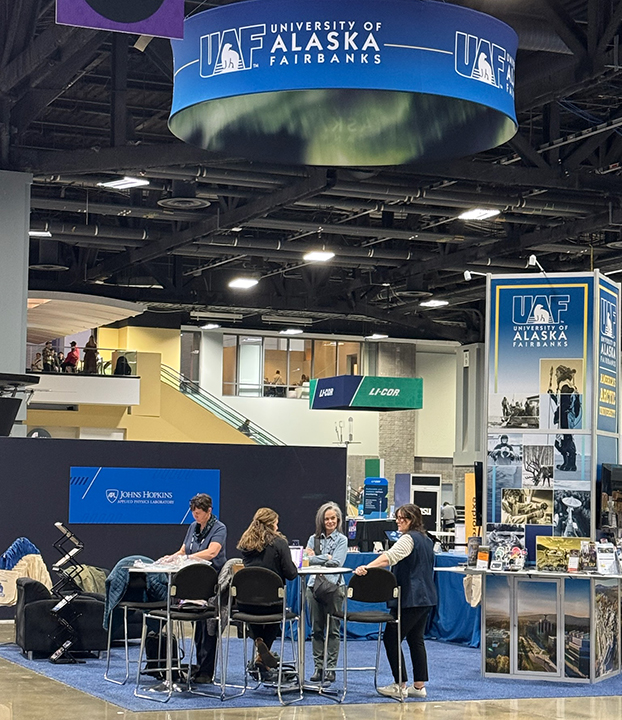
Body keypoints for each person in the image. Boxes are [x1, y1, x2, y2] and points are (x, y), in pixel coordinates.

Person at [354, 503, 437, 700]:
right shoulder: (426, 539)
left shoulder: (408, 539)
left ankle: (400, 684)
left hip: (411, 598)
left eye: (404, 518)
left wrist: (367, 566)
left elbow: (390, 557)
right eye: (398, 517)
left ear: (413, 520)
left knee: (391, 638)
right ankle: (419, 686)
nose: (399, 521)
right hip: (427, 598)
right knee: (416, 639)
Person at [160, 493, 227, 684]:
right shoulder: (193, 527)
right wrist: (172, 557)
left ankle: (206, 671)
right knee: (196, 625)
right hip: (190, 580)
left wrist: (189, 558)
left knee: (207, 626)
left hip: (208, 581)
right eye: (193, 513)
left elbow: (212, 552)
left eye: (198, 513)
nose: (195, 516)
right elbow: (183, 550)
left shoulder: (219, 528)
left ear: (209, 511)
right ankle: (197, 665)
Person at [237, 507, 298, 671]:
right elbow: (291, 574)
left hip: (245, 604)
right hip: (272, 603)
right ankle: (262, 656)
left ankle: (258, 641)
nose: (277, 528)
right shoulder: (279, 543)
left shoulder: (245, 544)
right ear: (271, 524)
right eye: (276, 524)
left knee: (253, 610)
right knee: (276, 613)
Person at [305, 502, 348, 684]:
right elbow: (306, 561)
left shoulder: (342, 540)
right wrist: (325, 557)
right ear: (321, 520)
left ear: (337, 520)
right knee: (316, 630)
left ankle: (331, 669)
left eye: (333, 518)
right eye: (327, 518)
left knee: (333, 630)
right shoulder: (312, 539)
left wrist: (318, 558)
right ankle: (318, 668)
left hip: (335, 588)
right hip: (313, 587)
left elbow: (336, 563)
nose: (330, 521)